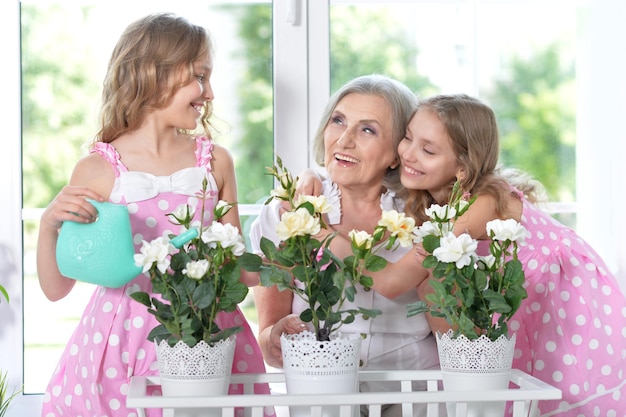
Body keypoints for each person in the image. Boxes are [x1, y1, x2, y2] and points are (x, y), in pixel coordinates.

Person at [36, 13, 270, 417]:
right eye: (200, 76)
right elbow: (57, 289)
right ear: (156, 74)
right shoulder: (99, 169)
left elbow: (237, 271)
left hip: (206, 334)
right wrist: (47, 226)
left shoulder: (217, 162)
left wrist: (295, 257)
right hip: (120, 344)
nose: (209, 92)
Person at [398, 93, 626, 416]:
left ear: (462, 168)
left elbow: (411, 270)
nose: (408, 152)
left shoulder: (483, 201)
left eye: (428, 149)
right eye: (406, 137)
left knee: (567, 382)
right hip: (521, 301)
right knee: (521, 385)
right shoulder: (439, 203)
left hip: (561, 295)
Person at [250, 74, 442, 417]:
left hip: (415, 392)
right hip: (320, 392)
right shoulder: (289, 209)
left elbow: (449, 328)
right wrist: (273, 338)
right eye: (338, 120)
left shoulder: (423, 216)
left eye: (368, 129)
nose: (344, 139)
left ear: (397, 153)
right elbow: (267, 339)